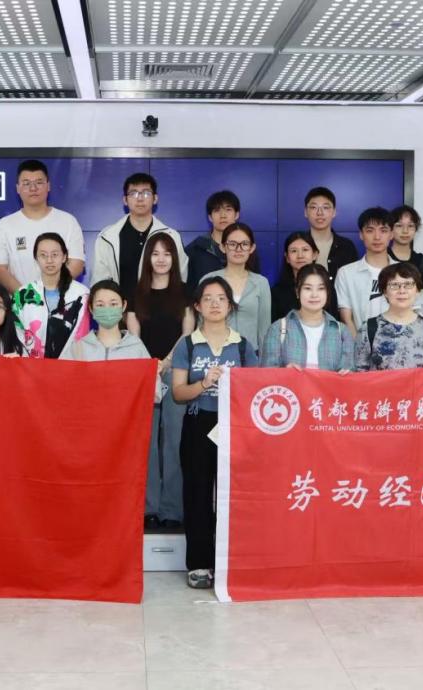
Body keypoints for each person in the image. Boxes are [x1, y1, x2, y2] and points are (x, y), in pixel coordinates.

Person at [171, 277, 258, 589]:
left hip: (234, 427)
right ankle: (199, 563)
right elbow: (178, 393)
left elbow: (254, 390)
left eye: (221, 298)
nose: (214, 304)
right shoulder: (188, 344)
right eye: (207, 298)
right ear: (197, 306)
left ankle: (230, 561)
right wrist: (204, 383)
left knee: (233, 495)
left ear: (230, 306)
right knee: (197, 494)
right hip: (198, 424)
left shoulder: (243, 345)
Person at [130, 233, 194, 530]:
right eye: (155, 253)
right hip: (143, 372)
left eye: (167, 253)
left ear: (174, 258)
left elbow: (188, 333)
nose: (161, 259)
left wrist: (165, 362)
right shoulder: (136, 293)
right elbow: (133, 336)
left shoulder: (185, 292)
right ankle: (148, 507)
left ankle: (172, 509)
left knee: (174, 441)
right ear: (148, 258)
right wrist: (150, 364)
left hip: (175, 371)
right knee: (146, 443)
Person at [90, 172, 188, 303]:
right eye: (133, 193)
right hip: (119, 312)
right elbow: (100, 281)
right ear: (125, 200)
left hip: (160, 310)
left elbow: (181, 278)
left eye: (146, 193)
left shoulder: (171, 236)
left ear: (155, 198)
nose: (140, 199)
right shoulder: (107, 237)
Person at [0, 160, 85, 292]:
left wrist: (52, 292)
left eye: (39, 182)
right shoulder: (4, 225)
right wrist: (26, 296)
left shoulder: (68, 222)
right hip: (21, 300)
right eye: (26, 183)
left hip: (60, 299)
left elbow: (77, 263)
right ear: (18, 188)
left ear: (48, 186)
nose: (33, 188)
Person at [260, 264, 353, 371]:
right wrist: (284, 372)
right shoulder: (278, 329)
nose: (314, 295)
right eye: (308, 288)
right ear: (297, 292)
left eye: (321, 288)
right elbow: (267, 373)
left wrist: (346, 373)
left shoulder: (341, 332)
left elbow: (349, 371)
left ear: (327, 292)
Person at [12, 233, 90, 359]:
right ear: (36, 258)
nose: (49, 260)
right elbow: (17, 335)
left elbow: (82, 336)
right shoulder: (22, 295)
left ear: (64, 257)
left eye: (55, 255)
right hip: (31, 366)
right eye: (43, 255)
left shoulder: (81, 294)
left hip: (71, 366)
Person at [355, 263, 423, 371]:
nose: (402, 291)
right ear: (385, 291)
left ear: (417, 290)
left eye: (408, 284)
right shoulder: (368, 328)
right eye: (394, 285)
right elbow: (359, 372)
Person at [201, 222, 271, 352]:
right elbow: (201, 324)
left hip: (250, 356)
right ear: (223, 247)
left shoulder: (261, 283)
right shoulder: (208, 280)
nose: (239, 249)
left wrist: (263, 360)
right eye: (232, 244)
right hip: (215, 354)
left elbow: (264, 330)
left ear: (252, 248)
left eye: (244, 244)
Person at [62, 279, 156, 364]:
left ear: (123, 306)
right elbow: (62, 375)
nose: (107, 309)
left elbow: (150, 377)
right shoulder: (78, 348)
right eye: (100, 305)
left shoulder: (136, 348)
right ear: (91, 308)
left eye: (113, 304)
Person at [335, 207, 393, 336]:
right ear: (361, 234)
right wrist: (360, 346)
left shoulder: (404, 272)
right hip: (360, 344)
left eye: (383, 230)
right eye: (370, 231)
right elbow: (347, 319)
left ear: (391, 234)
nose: (377, 237)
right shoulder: (346, 273)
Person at [185, 190, 238, 295]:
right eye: (217, 210)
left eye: (228, 209)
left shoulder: (245, 248)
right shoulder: (196, 248)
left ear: (236, 215)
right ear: (210, 217)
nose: (223, 215)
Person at [303, 186, 358, 279]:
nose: (320, 213)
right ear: (305, 212)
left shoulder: (347, 246)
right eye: (313, 207)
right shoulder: (297, 245)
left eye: (325, 207)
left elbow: (354, 282)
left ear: (334, 212)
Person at [271, 231, 320, 321]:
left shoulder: (326, 288)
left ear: (314, 255)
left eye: (305, 250)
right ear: (287, 257)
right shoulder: (276, 292)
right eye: (294, 251)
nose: (300, 256)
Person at [388, 205, 423, 287]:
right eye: (399, 225)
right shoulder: (382, 257)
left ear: (416, 229)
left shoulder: (422, 261)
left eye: (410, 226)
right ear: (390, 229)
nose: (405, 231)